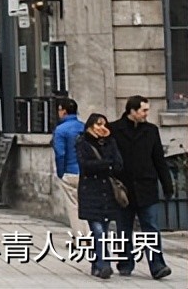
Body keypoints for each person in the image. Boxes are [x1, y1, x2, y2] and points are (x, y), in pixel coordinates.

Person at [109, 95, 174, 280]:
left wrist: (167, 185)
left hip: (147, 187)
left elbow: (159, 160)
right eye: (144, 110)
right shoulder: (114, 129)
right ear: (132, 111)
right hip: (124, 188)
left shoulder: (151, 131)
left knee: (151, 228)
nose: (147, 114)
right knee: (123, 228)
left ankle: (157, 265)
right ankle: (125, 262)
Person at [77, 113, 123, 280]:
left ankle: (97, 264)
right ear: (90, 126)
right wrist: (107, 164)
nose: (101, 128)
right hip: (90, 191)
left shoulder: (111, 142)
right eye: (98, 124)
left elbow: (118, 164)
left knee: (103, 229)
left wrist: (108, 153)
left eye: (104, 124)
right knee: (98, 230)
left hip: (108, 192)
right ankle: (104, 265)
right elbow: (86, 166)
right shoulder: (83, 142)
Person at [53, 97, 88, 237]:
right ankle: (90, 236)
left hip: (70, 171)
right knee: (86, 205)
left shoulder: (60, 130)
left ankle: (80, 237)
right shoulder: (84, 127)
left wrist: (61, 173)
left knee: (73, 207)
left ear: (63, 111)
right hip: (86, 171)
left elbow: (60, 153)